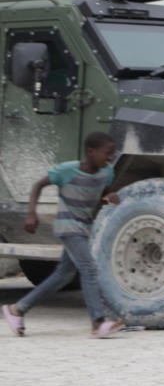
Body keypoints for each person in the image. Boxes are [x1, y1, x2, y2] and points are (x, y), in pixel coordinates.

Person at [3, 131, 127, 339]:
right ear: (91, 152)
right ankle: (98, 322)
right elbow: (38, 185)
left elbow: (105, 194)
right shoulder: (67, 171)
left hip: (85, 228)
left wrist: (112, 197)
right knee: (89, 268)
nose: (110, 158)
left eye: (113, 154)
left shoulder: (106, 174)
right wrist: (31, 214)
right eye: (107, 153)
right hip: (68, 227)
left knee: (63, 275)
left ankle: (18, 310)